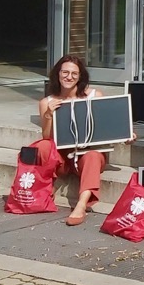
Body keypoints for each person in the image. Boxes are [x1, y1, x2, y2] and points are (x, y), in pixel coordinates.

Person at [35, 56, 108, 226]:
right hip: (63, 156)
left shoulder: (94, 96)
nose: (69, 77)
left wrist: (127, 135)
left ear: (80, 76)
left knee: (93, 155)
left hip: (88, 154)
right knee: (43, 146)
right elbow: (47, 137)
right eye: (65, 72)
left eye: (74, 73)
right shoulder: (47, 102)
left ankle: (81, 205)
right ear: (58, 74)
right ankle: (45, 189)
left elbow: (106, 126)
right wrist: (48, 115)